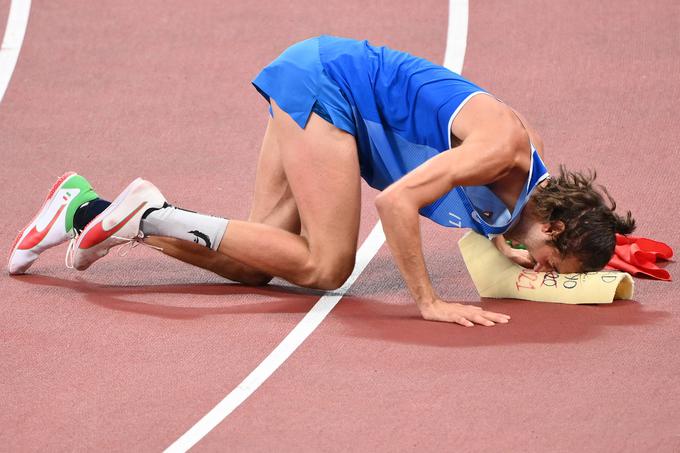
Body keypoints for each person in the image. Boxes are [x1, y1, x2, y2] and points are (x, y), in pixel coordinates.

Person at [8, 35, 635, 327]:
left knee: (254, 261)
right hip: (328, 87)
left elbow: (497, 228)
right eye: (559, 262)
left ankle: (91, 208)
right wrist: (428, 302)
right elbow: (396, 200)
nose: (549, 271)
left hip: (329, 93)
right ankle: (145, 214)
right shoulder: (503, 147)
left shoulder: (529, 191)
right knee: (327, 265)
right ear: (553, 225)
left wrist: (508, 250)